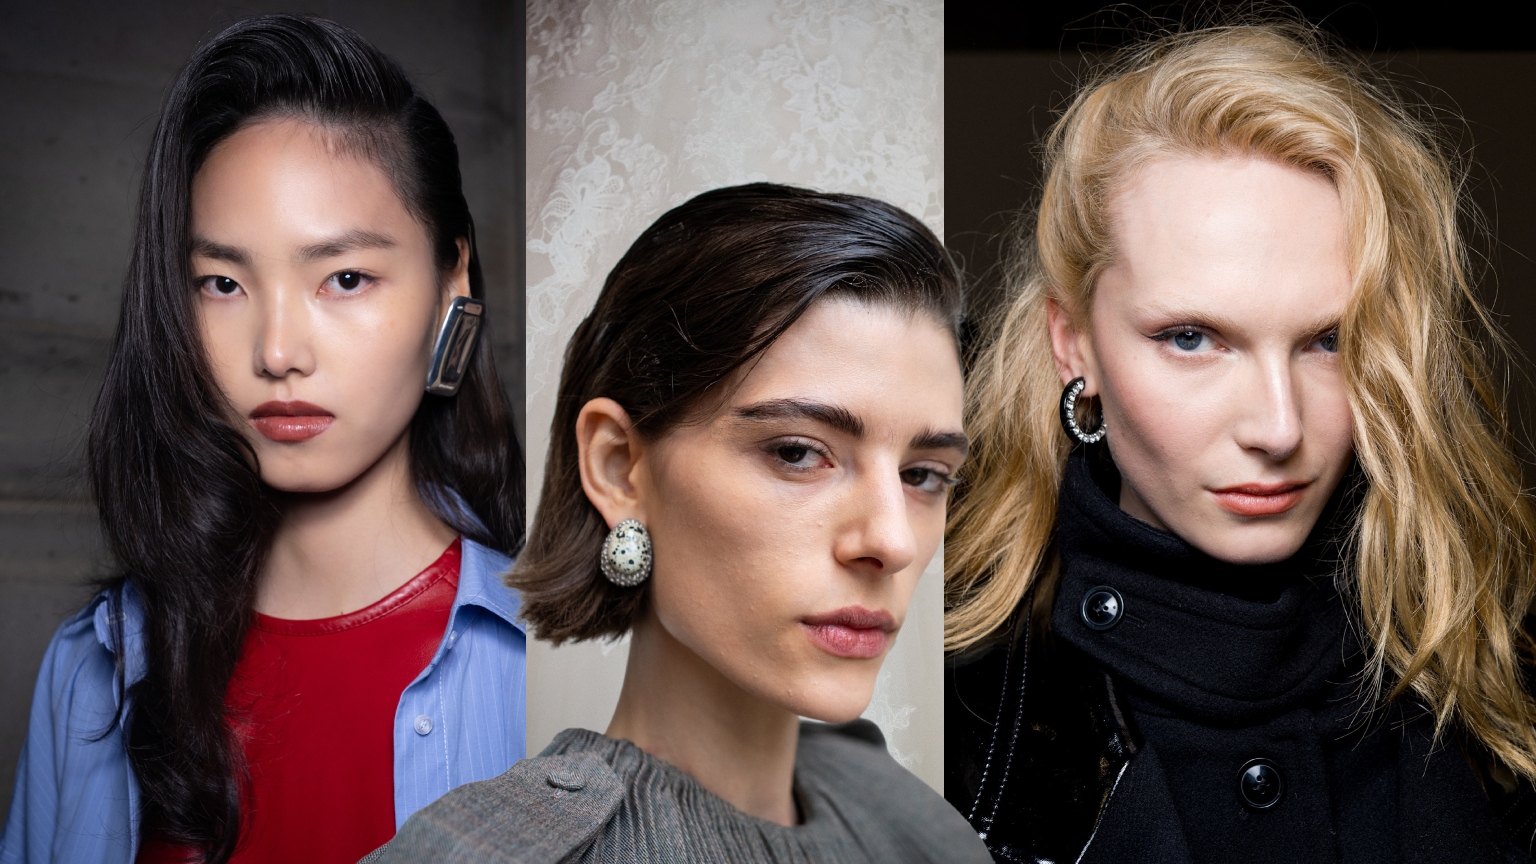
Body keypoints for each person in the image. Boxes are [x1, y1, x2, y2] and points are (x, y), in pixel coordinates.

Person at [943, 19, 1536, 864]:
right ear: (1073, 342)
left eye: (1328, 341)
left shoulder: (1490, 663)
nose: (1278, 428)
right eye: (1192, 338)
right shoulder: (939, 724)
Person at [1, 15, 527, 864]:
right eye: (221, 283)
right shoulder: (98, 664)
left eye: (345, 278)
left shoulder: (557, 662)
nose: (278, 351)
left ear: (450, 281)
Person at [364, 183, 990, 863]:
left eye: (923, 474)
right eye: (797, 453)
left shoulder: (923, 825)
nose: (892, 542)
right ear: (618, 468)